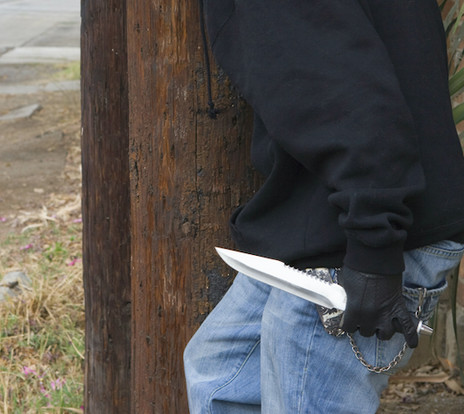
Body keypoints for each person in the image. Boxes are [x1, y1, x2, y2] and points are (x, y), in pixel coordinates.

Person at [183, 1, 464, 413]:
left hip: (364, 231)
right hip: (328, 212)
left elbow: (348, 92)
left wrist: (374, 244)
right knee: (220, 377)